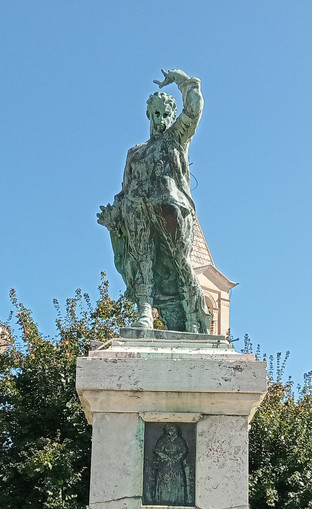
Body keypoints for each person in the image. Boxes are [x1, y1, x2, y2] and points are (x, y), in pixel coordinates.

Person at [98, 69, 212, 333]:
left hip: (170, 208)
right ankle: (145, 313)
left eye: (166, 115)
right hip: (138, 210)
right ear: (149, 115)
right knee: (142, 260)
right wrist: (113, 217)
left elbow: (194, 109)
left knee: (180, 262)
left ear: (172, 117)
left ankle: (191, 315)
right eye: (156, 114)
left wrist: (182, 81)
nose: (161, 120)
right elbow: (125, 190)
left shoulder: (176, 138)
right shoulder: (135, 153)